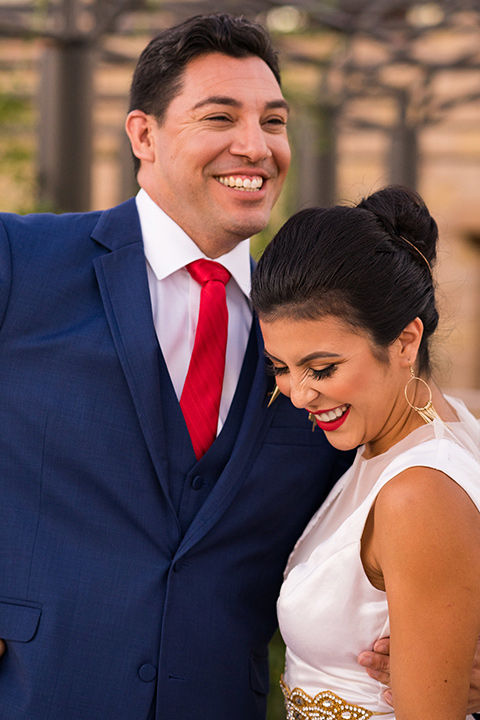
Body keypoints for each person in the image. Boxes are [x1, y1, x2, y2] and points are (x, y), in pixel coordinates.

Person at [0, 12, 357, 720]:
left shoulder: (316, 331)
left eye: (275, 122)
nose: (255, 146)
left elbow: (391, 493)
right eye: (220, 116)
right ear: (144, 135)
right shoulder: (21, 262)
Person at [251, 185, 480, 719]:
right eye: (281, 368)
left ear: (404, 341)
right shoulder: (421, 436)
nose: (300, 395)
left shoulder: (417, 493)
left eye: (323, 368)